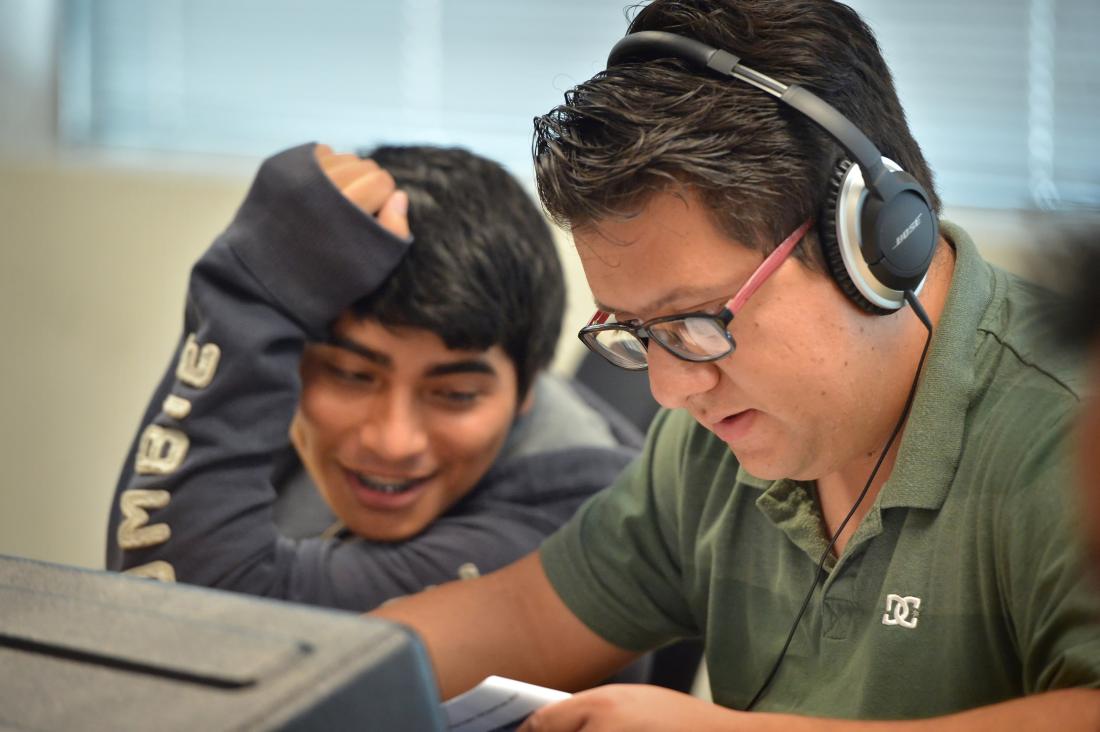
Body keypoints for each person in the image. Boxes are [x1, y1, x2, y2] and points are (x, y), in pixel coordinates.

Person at [374, 0, 1100, 728]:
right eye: (636, 331)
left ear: (872, 240)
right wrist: (312, 670)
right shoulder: (714, 437)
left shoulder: (1069, 426)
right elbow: (528, 617)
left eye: (694, 320)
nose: (668, 387)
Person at [105, 142, 643, 612]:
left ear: (527, 389)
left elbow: (184, 620)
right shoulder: (291, 386)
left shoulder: (578, 521)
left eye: (454, 395)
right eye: (349, 375)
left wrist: (245, 290)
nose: (392, 441)